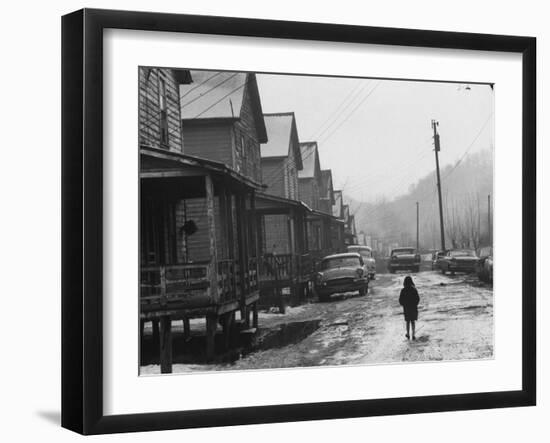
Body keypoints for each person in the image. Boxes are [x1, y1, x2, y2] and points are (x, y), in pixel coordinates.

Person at [399, 275, 420, 340]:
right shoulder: (414, 289)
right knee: (413, 321)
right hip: (413, 307)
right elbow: (417, 298)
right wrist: (415, 304)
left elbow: (400, 299)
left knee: (407, 321)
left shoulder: (403, 290)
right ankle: (413, 334)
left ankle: (408, 333)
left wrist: (403, 304)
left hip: (406, 308)